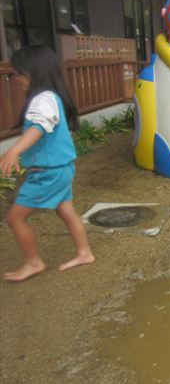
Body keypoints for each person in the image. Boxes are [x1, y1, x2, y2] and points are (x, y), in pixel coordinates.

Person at [0, 45, 96, 282]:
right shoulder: (51, 97)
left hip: (48, 173)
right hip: (61, 168)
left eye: (18, 72)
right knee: (66, 211)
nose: (15, 78)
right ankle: (84, 254)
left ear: (33, 72)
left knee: (15, 218)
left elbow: (39, 127)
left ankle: (33, 262)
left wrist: (13, 150)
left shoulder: (42, 99)